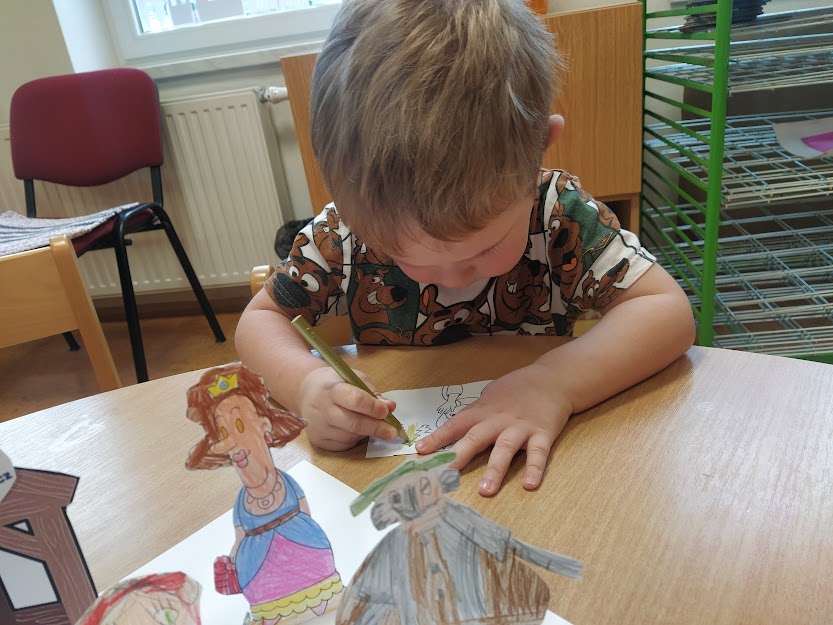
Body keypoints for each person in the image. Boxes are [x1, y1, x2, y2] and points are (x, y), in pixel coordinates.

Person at [235, 0, 695, 497]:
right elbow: (261, 320)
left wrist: (554, 383)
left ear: (539, 148)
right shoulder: (344, 231)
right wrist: (306, 386)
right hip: (404, 482)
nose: (452, 278)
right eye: (404, 256)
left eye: (485, 247)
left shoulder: (558, 213)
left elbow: (665, 310)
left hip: (540, 467)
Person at [185, 364, 342, 625]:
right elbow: (239, 539)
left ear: (264, 425)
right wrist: (230, 563)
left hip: (309, 562)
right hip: (260, 581)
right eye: (223, 432)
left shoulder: (287, 484)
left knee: (326, 608)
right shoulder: (241, 504)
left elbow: (306, 515)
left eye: (240, 425)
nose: (233, 443)